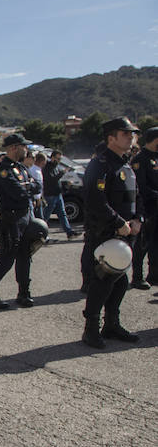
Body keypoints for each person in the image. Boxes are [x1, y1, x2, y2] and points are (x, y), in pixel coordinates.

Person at [81, 117, 142, 348]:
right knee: (102, 281)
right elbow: (95, 199)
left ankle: (112, 324)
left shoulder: (125, 164)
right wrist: (117, 222)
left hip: (127, 232)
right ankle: (91, 329)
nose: (131, 137)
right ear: (111, 138)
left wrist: (138, 219)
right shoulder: (101, 164)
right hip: (106, 231)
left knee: (120, 280)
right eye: (125, 134)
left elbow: (136, 196)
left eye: (132, 134)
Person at [0, 134, 42, 310]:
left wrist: (27, 186)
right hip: (10, 219)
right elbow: (18, 193)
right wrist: (27, 187)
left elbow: (37, 186)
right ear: (15, 147)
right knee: (6, 258)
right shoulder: (3, 170)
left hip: (24, 216)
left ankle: (24, 293)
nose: (26, 150)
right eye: (24, 147)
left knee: (24, 255)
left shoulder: (20, 168)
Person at [130, 126, 158, 288]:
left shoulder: (156, 157)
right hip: (146, 208)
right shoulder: (140, 160)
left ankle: (154, 275)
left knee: (156, 244)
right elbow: (140, 186)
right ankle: (137, 277)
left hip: (156, 207)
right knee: (143, 244)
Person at [42, 150, 79, 240]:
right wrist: (62, 173)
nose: (59, 161)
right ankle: (40, 232)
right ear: (53, 157)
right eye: (57, 159)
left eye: (60, 159)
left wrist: (66, 184)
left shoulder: (56, 167)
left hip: (58, 194)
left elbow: (57, 181)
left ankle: (69, 232)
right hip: (50, 195)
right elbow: (51, 180)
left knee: (62, 214)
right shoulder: (47, 167)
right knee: (46, 215)